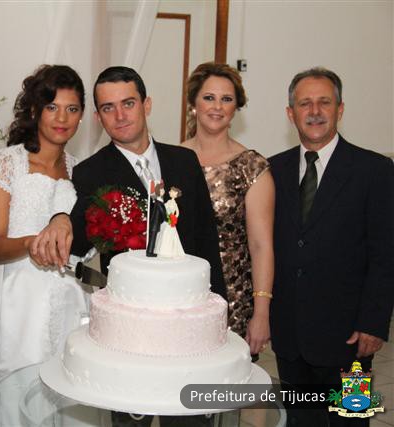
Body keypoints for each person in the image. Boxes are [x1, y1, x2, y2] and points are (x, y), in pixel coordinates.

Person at [32, 65, 225, 427]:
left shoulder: (184, 161)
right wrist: (60, 218)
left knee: (190, 419)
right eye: (108, 108)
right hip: (132, 334)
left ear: (146, 104)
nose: (120, 115)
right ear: (98, 117)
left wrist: (219, 315)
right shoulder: (90, 172)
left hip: (189, 324)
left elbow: (206, 239)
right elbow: (78, 231)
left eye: (128, 103)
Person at [0, 65, 90, 427]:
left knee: (70, 400)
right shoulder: (8, 164)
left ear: (82, 115)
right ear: (35, 110)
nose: (62, 118)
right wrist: (32, 243)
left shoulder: (81, 172)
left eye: (72, 109)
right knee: (19, 404)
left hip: (72, 302)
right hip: (20, 302)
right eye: (52, 107)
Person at [270, 67, 393, 426]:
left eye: (324, 102)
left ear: (340, 109)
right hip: (290, 335)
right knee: (299, 420)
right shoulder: (272, 170)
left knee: (351, 418)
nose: (315, 111)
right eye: (304, 103)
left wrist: (374, 322)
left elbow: (386, 252)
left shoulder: (375, 170)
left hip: (351, 337)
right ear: (290, 113)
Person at [182, 62, 274, 358]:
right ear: (194, 103)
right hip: (180, 296)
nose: (217, 107)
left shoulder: (252, 166)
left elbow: (261, 246)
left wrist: (261, 313)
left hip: (232, 301)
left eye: (226, 99)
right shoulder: (173, 160)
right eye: (209, 97)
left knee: (225, 382)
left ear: (236, 108)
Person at [154, 186, 185, 258]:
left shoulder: (175, 204)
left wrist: (174, 217)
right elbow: (163, 207)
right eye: (170, 191)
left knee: (169, 235)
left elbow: (177, 213)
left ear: (175, 193)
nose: (169, 192)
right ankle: (161, 249)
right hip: (166, 220)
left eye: (171, 191)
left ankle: (167, 251)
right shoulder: (168, 201)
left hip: (170, 221)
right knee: (163, 233)